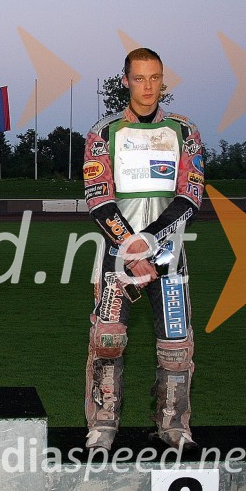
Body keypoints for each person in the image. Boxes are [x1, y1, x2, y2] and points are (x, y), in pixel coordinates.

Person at [82, 48, 205, 450]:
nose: (148, 87)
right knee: (108, 339)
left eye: (155, 78)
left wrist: (151, 241)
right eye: (139, 78)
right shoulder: (103, 132)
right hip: (118, 256)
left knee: (175, 343)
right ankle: (103, 424)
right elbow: (99, 198)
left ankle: (173, 424)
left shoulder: (185, 131)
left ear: (163, 80)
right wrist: (132, 248)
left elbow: (191, 194)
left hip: (169, 255)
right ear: (125, 81)